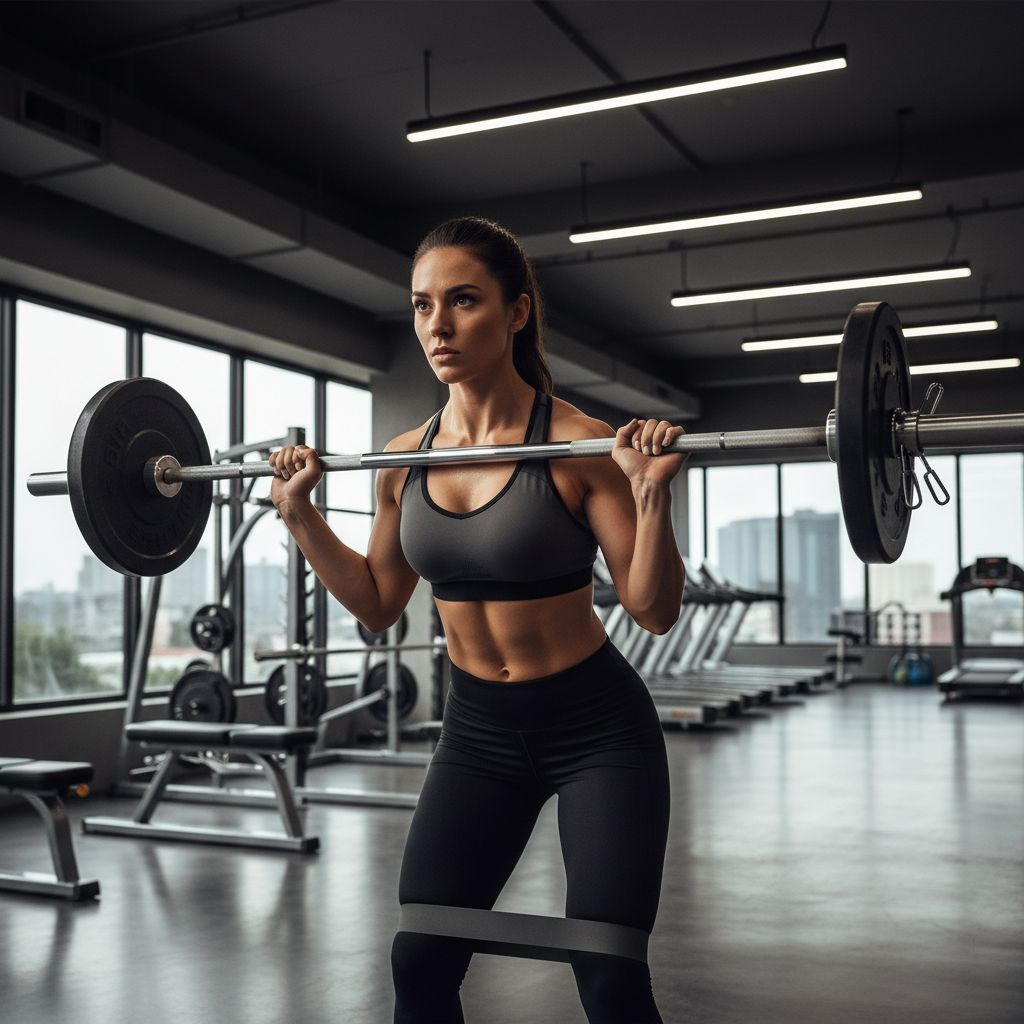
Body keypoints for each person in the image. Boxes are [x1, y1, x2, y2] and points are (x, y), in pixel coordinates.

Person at [269, 216, 686, 1023]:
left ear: (516, 312)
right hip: (478, 734)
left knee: (606, 973)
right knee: (420, 962)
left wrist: (650, 490)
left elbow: (655, 610)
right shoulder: (401, 459)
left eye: (463, 301)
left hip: (597, 730)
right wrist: (299, 514)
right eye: (423, 306)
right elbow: (378, 605)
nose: (439, 325)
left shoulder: (577, 443)